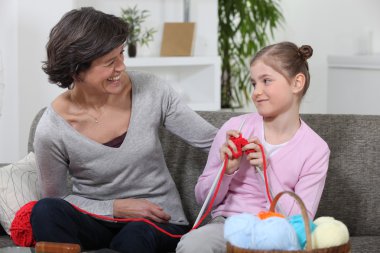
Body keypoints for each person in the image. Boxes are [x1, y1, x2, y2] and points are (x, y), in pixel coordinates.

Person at [30, 7, 217, 253]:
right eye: (110, 62)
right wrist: (115, 207)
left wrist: (266, 140)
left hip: (157, 221)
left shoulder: (152, 90)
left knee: (134, 236)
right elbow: (57, 199)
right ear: (77, 69)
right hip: (99, 221)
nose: (121, 67)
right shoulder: (51, 128)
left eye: (121, 55)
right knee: (45, 211)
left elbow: (211, 139)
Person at [176, 42, 330, 253]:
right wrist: (226, 170)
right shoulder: (235, 127)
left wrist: (266, 171)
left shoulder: (316, 149)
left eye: (266, 81)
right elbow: (203, 199)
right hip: (228, 225)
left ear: (297, 83)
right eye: (253, 83)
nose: (256, 92)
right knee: (194, 244)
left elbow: (301, 221)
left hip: (278, 231)